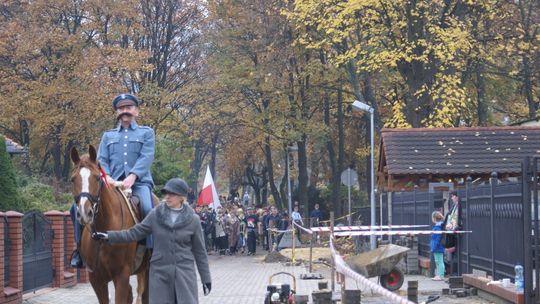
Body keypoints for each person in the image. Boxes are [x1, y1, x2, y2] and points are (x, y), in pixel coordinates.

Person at [92, 177, 211, 304]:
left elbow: (200, 253)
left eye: (172, 194)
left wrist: (206, 279)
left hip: (185, 275)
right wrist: (108, 236)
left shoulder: (193, 220)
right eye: (166, 193)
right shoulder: (155, 215)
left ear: (182, 197)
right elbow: (134, 233)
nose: (167, 197)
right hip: (160, 275)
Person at [70, 93, 155, 268]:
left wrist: (133, 176)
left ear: (136, 111)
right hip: (111, 183)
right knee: (74, 208)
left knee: (147, 207)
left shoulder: (146, 133)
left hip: (139, 183)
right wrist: (106, 176)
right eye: (121, 108)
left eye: (128, 108)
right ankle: (79, 250)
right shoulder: (108, 136)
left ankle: (151, 251)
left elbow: (146, 156)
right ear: (117, 112)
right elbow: (101, 159)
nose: (125, 111)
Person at [444, 190, 461, 275]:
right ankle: (453, 274)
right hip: (452, 231)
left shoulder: (459, 206)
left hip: (455, 232)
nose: (451, 198)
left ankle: (455, 274)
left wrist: (452, 225)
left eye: (453, 196)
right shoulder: (454, 206)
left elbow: (456, 217)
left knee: (454, 253)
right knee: (452, 253)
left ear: (457, 196)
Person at [430, 211, 445, 281]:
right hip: (436, 246)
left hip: (438, 247)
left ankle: (441, 275)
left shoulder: (438, 227)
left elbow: (437, 239)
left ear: (434, 218)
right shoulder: (438, 226)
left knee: (440, 261)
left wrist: (434, 246)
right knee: (437, 261)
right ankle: (438, 274)